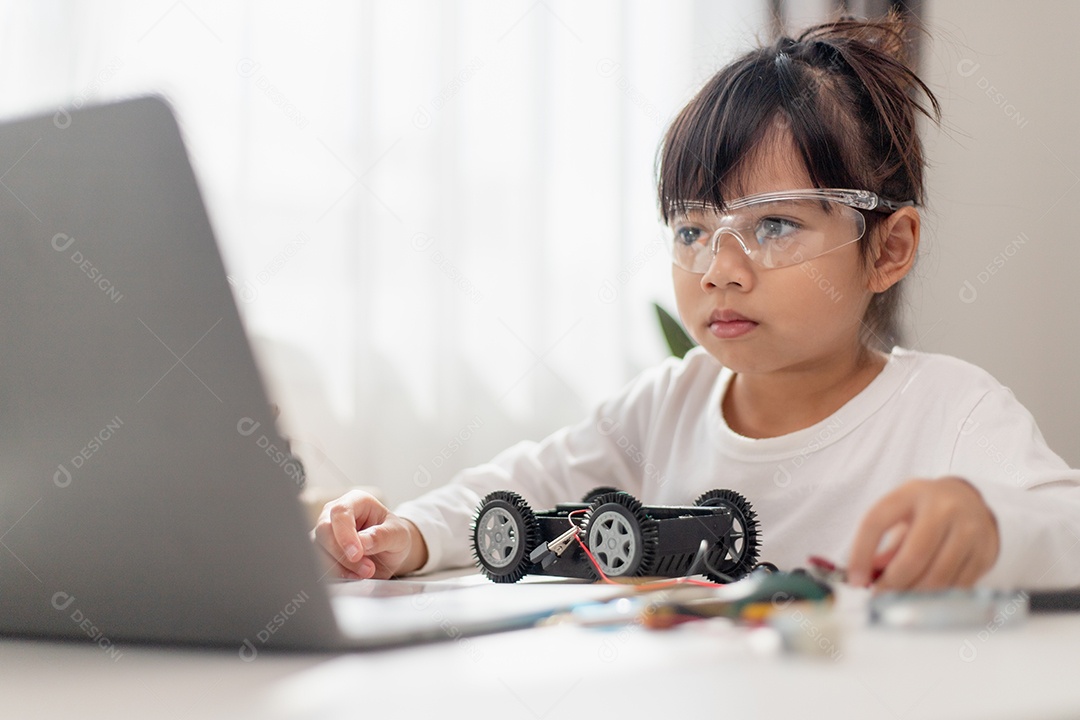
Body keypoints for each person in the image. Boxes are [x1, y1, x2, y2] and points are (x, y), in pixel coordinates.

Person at [312, 14, 1080, 591]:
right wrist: (407, 532)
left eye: (773, 225)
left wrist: (991, 526)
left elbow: (1067, 530)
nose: (720, 269)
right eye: (691, 230)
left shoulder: (952, 413)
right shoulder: (665, 409)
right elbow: (514, 488)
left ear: (888, 248)